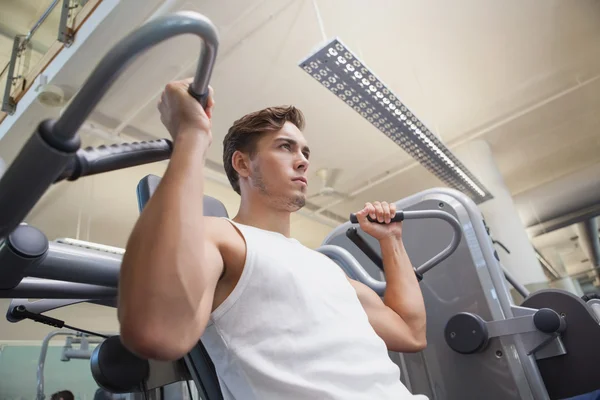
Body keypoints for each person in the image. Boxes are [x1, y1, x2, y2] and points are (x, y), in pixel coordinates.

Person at [117, 78, 429, 399]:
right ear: (242, 164)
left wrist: (391, 239)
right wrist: (190, 135)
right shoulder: (223, 236)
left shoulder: (326, 267)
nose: (304, 159)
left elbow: (410, 332)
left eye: (305, 150)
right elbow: (155, 332)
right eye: (285, 146)